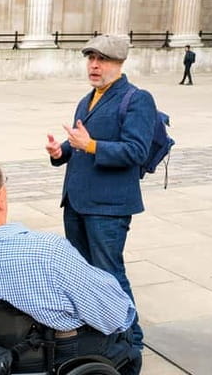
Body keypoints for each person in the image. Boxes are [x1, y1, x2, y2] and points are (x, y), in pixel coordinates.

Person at [0, 149, 156, 375]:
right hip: (47, 356)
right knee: (123, 332)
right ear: (0, 198)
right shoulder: (46, 253)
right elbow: (113, 314)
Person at [45, 34, 155, 350]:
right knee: (83, 273)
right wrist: (60, 151)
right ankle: (98, 332)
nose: (94, 65)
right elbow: (79, 141)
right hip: (77, 201)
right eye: (91, 58)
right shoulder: (87, 99)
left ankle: (132, 342)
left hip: (108, 207)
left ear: (119, 63)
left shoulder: (137, 99)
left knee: (110, 274)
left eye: (102, 59)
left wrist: (91, 145)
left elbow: (136, 150)